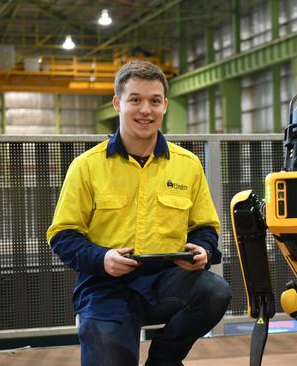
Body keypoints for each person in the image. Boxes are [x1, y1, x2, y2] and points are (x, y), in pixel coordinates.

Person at [47, 60, 231, 366]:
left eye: (154, 101)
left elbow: (204, 226)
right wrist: (102, 258)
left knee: (215, 292)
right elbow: (62, 236)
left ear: (165, 106)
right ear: (118, 103)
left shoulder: (187, 165)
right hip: (105, 286)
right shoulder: (87, 167)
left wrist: (204, 249)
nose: (146, 110)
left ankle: (163, 361)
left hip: (167, 281)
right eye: (135, 100)